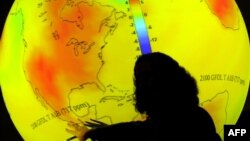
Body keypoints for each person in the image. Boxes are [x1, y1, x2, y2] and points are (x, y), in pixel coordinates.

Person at [66, 52, 222, 141]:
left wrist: (90, 133)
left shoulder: (162, 130)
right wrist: (98, 132)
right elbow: (138, 130)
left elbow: (139, 132)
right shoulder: (200, 116)